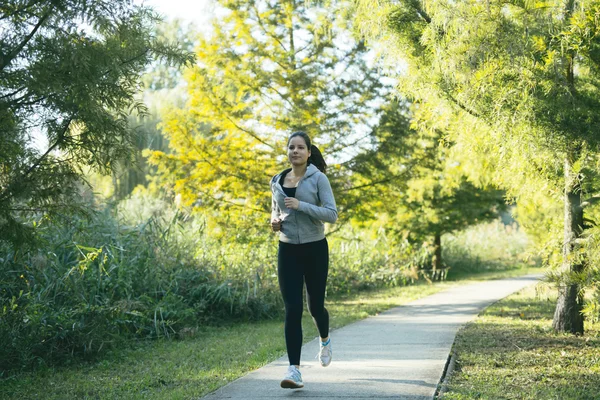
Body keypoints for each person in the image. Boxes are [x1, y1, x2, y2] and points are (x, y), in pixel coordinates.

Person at [270, 131, 338, 389]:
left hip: (315, 249)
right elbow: (275, 212)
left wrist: (301, 205)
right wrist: (274, 223)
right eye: (291, 147)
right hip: (287, 250)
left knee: (315, 307)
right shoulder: (276, 180)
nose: (295, 151)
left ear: (309, 152)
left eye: (300, 148)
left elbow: (331, 214)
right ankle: (294, 370)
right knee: (292, 309)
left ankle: (324, 339)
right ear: (287, 152)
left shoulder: (318, 179)